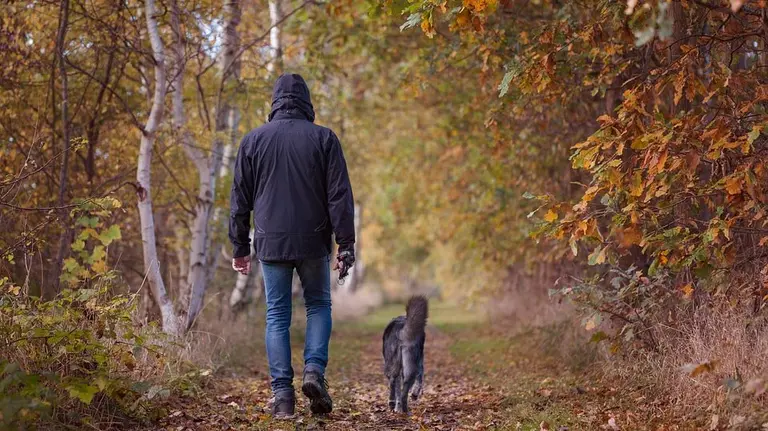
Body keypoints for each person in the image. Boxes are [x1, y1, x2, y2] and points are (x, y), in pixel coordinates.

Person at [228, 73, 355, 418]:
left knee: (276, 316)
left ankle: (283, 397)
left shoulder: (253, 141)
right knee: (318, 305)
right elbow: (339, 196)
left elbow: (240, 199)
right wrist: (346, 243)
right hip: (314, 240)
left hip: (271, 242)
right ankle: (314, 371)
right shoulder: (324, 139)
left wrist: (240, 246)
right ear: (307, 101)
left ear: (274, 101)